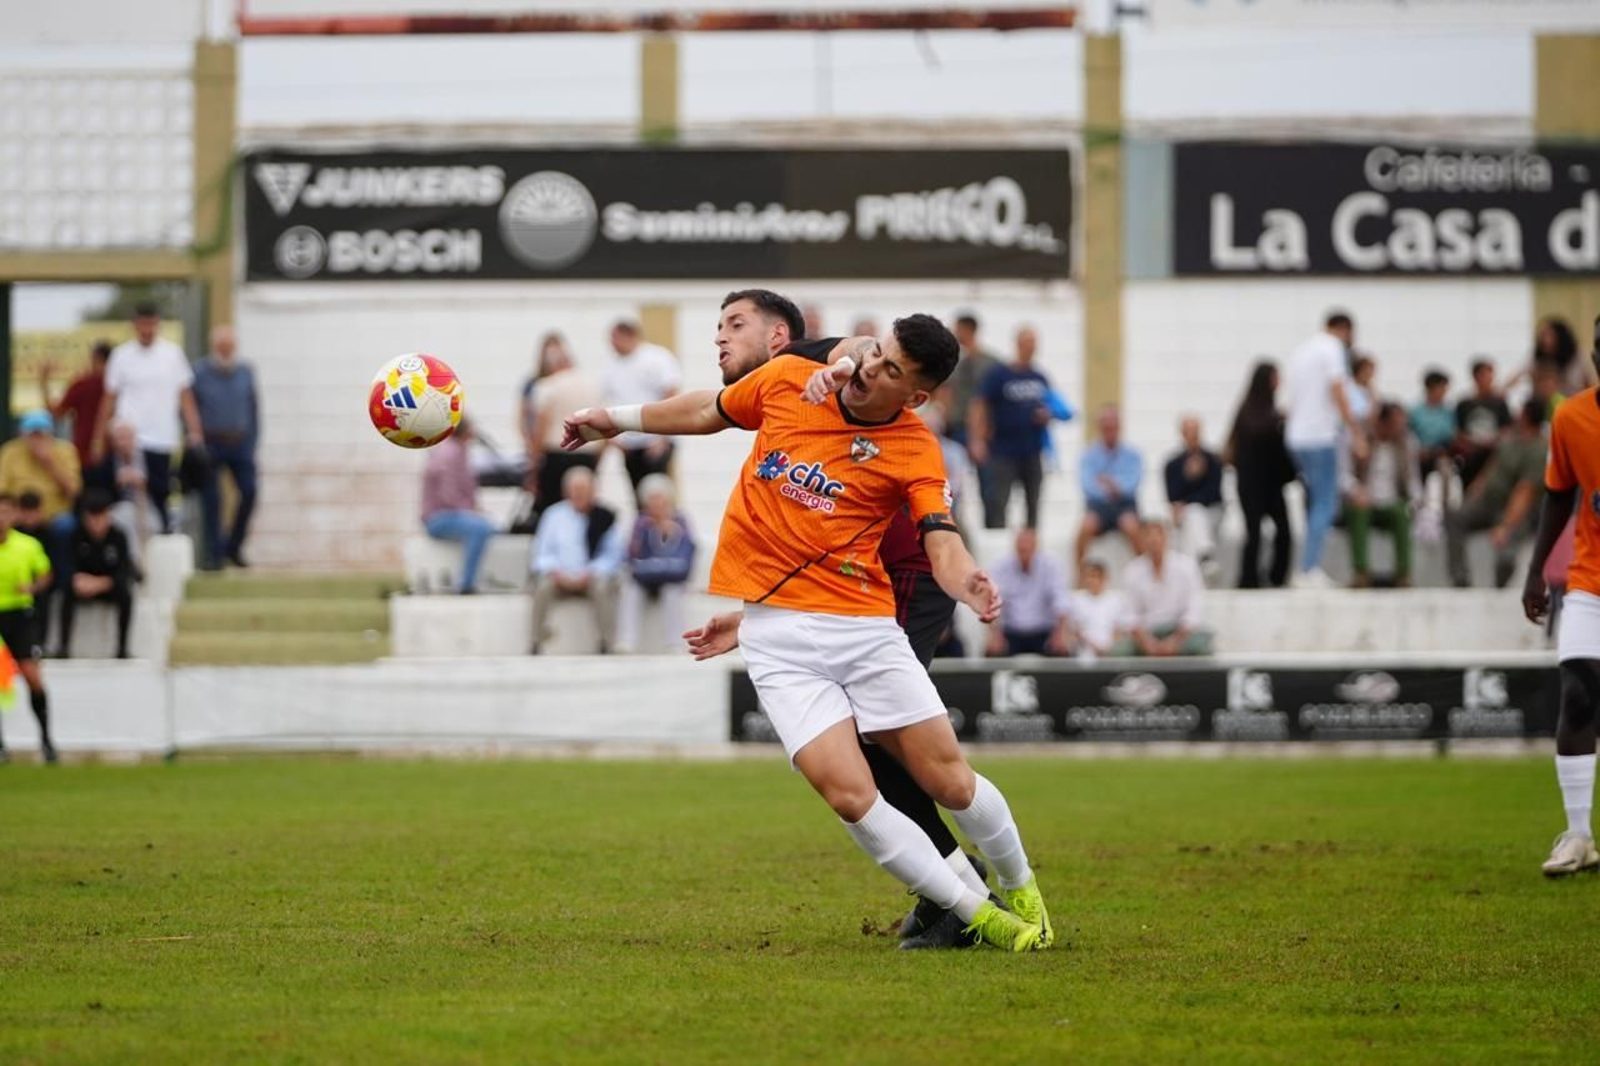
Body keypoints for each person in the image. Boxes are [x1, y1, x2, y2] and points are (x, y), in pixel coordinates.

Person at [566, 313, 1053, 953]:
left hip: (864, 629)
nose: (874, 369)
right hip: (778, 637)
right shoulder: (791, 380)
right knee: (852, 797)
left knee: (950, 782)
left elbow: (941, 540)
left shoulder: (915, 447)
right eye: (876, 354)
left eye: (893, 372)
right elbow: (705, 410)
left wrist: (967, 580)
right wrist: (616, 417)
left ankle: (1023, 892)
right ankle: (977, 914)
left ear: (915, 397)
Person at [710, 288, 989, 949]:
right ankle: (952, 886)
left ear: (780, 336)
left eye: (734, 324)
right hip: (843, 593)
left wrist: (845, 358)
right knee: (852, 753)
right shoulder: (784, 393)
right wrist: (753, 616)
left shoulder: (825, 364)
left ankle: (959, 895)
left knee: (879, 742)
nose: (720, 338)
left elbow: (862, 348)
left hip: (908, 579)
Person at [1522, 315, 1600, 876]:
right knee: (1576, 695)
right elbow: (1557, 496)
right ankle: (1578, 836)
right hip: (1590, 579)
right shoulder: (1571, 415)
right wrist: (1533, 573)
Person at [91, 303, 203, 534]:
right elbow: (109, 399)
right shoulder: (122, 356)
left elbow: (185, 396)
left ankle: (160, 540)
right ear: (134, 325)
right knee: (127, 494)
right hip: (129, 439)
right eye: (143, 324)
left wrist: (195, 431)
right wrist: (99, 438)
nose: (147, 330)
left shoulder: (172, 354)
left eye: (152, 324)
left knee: (160, 492)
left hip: (162, 437)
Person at [1284, 311, 1365, 588]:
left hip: (1297, 437)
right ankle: (1309, 569)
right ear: (1343, 329)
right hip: (1319, 435)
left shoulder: (1301, 351)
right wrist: (1355, 432)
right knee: (1325, 503)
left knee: (1316, 502)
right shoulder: (1331, 349)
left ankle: (1308, 565)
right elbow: (1338, 390)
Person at [1449, 399, 1547, 588]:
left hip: (1515, 509)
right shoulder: (1510, 438)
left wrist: (1506, 525)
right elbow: (1492, 466)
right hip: (1487, 501)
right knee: (1456, 518)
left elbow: (1525, 491)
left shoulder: (1539, 449)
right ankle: (1460, 578)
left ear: (1527, 417)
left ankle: (1500, 585)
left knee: (1507, 552)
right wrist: (1475, 491)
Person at [968, 326, 1056, 529]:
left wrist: (1047, 415)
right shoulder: (1000, 375)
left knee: (1033, 503)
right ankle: (998, 544)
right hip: (1003, 450)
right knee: (998, 502)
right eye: (1027, 342)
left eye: (1033, 343)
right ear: (1017, 344)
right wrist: (977, 439)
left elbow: (1053, 405)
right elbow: (979, 404)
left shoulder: (1039, 377)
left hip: (1032, 451)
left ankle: (1030, 545)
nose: (1030, 347)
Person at [530, 467, 624, 653]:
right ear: (567, 492)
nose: (580, 494)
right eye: (576, 490)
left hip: (591, 577)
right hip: (559, 576)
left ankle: (607, 643)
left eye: (584, 490)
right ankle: (535, 642)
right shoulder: (553, 515)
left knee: (603, 587)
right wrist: (556, 572)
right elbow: (541, 553)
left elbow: (613, 556)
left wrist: (590, 573)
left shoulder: (605, 516)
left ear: (593, 491)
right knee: (541, 587)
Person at [191, 325, 259, 570]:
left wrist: (252, 442)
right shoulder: (199, 372)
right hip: (211, 444)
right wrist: (195, 438)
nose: (226, 351)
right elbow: (189, 408)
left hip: (240, 444)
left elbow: (253, 408)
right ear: (214, 347)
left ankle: (234, 546)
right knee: (213, 500)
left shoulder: (246, 371)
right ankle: (215, 555)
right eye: (222, 346)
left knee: (249, 492)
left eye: (230, 346)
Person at [0, 493, 57, 764]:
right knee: (0, 682)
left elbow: (46, 574)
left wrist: (33, 587)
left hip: (21, 616)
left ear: (14, 515)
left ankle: (46, 740)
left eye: (6, 512)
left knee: (32, 676)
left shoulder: (28, 545)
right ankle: (1, 746)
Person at [1227, 362, 1294, 589]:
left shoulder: (1272, 411)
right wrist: (1279, 422)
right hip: (1251, 484)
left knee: (1284, 532)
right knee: (1253, 533)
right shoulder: (1250, 412)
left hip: (1272, 484)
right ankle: (1249, 578)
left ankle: (1277, 577)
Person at [615, 474, 696, 654]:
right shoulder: (641, 523)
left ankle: (674, 642)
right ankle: (626, 641)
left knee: (673, 591)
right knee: (630, 590)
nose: (656, 504)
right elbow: (631, 555)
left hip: (671, 578)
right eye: (652, 499)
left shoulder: (681, 521)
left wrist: (672, 533)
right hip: (645, 578)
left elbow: (687, 551)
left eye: (660, 499)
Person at [1342, 402, 1420, 588]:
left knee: (1402, 513)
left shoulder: (1406, 444)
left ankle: (1403, 574)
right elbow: (1343, 474)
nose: (1400, 429)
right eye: (1396, 424)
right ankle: (1361, 572)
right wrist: (1357, 491)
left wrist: (1416, 503)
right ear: (1383, 423)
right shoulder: (1361, 441)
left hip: (1392, 502)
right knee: (1358, 511)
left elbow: (1413, 479)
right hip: (1364, 500)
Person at [527, 343, 603, 528]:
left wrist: (534, 462)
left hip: (556, 454)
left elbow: (541, 426)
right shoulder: (594, 386)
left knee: (551, 507)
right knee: (585, 507)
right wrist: (597, 458)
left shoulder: (546, 386)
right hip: (586, 454)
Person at [1112, 519, 1212, 657]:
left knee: (1201, 645)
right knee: (1118, 651)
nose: (1153, 540)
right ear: (1141, 539)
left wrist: (1175, 641)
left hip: (1179, 631)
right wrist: (1146, 642)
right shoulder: (1133, 570)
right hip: (1147, 633)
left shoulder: (1186, 566)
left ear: (1166, 537)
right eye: (1148, 535)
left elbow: (1193, 612)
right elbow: (1130, 615)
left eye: (1157, 535)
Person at [420, 417, 496, 595]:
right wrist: (471, 511)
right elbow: (449, 495)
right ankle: (465, 583)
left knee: (491, 527)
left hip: (451, 514)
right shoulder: (449, 453)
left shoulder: (458, 451)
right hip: (438, 517)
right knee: (480, 528)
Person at [603, 319, 682, 489]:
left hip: (655, 440)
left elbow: (670, 394)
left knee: (657, 490)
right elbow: (608, 401)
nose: (612, 344)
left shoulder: (656, 357)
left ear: (628, 335)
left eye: (614, 338)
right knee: (637, 492)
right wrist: (616, 441)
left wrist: (662, 437)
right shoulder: (612, 366)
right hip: (630, 444)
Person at [60, 487, 136, 659]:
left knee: (126, 595)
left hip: (108, 586)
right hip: (83, 586)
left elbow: (124, 569)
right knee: (66, 593)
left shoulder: (118, 536)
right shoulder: (76, 536)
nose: (96, 524)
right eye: (91, 519)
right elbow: (68, 566)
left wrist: (102, 583)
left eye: (100, 517)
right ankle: (63, 647)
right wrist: (78, 580)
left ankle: (122, 648)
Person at [984, 527, 1071, 656]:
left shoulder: (1051, 565)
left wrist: (1060, 633)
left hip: (1044, 630)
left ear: (1036, 546)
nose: (1024, 549)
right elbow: (991, 602)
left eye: (1027, 545)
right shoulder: (1001, 566)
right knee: (991, 652)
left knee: (1062, 651)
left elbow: (1061, 601)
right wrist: (995, 635)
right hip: (1011, 631)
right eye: (1021, 545)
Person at [1075, 405, 1142, 568]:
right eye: (1106, 426)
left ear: (1119, 427)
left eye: (1112, 426)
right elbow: (1087, 486)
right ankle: (1080, 575)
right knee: (1085, 528)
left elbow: (1133, 484)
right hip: (1098, 507)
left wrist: (1110, 483)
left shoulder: (1133, 454)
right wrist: (1115, 487)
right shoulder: (1088, 455)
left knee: (1133, 527)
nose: (1109, 430)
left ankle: (1143, 570)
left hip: (1125, 506)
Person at [40, 339, 111, 482]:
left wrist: (43, 382)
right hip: (114, 455)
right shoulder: (121, 385)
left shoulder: (83, 384)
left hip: (84, 453)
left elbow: (56, 412)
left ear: (94, 359)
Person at [1163, 415, 1224, 575]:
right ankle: (1204, 559)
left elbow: (1214, 494)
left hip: (1211, 512)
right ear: (1182, 435)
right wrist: (1188, 477)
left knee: (1194, 513)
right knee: (1190, 519)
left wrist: (1188, 499)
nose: (1192, 437)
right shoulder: (1173, 464)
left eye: (1195, 433)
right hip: (1183, 514)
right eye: (1188, 433)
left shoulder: (1213, 460)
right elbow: (1172, 495)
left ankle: (1196, 565)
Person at [940, 312, 997, 448]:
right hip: (955, 425)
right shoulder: (954, 361)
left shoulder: (991, 363)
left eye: (958, 329)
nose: (955, 333)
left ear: (968, 329)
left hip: (981, 429)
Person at [1455, 357, 1511, 489]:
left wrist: (1492, 441)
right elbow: (1459, 432)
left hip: (1494, 451)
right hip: (1471, 453)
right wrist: (1473, 442)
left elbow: (1507, 429)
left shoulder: (1500, 404)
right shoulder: (1464, 404)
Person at [519, 332, 566, 460]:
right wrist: (530, 444)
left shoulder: (566, 383)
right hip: (538, 443)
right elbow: (523, 416)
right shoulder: (533, 383)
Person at [1067, 558, 1121, 660]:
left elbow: (1118, 630)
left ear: (1104, 578)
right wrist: (1094, 647)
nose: (1091, 580)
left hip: (1111, 653)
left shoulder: (1115, 600)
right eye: (1088, 576)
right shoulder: (1076, 599)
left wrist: (1109, 649)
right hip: (1084, 653)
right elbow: (1075, 631)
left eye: (1095, 576)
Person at [1409, 370, 1455, 485]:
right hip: (1419, 454)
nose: (1444, 392)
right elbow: (1409, 434)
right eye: (1442, 388)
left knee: (1446, 471)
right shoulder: (1415, 411)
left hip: (1441, 454)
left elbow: (1451, 435)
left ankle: (1446, 502)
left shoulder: (1448, 412)